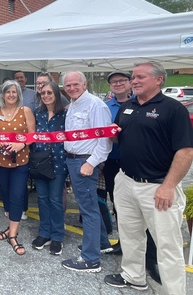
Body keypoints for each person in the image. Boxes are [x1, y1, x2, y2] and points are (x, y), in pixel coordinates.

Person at [104, 61, 193, 294]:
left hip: (157, 186)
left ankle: (175, 291)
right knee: (130, 234)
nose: (134, 81)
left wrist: (169, 186)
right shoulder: (129, 105)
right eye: (133, 77)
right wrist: (111, 135)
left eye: (140, 77)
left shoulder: (173, 109)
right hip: (126, 180)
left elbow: (185, 152)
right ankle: (134, 277)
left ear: (158, 80)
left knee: (167, 245)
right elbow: (119, 137)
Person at [104, 70, 160, 282]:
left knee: (149, 217)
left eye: (122, 81)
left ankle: (151, 258)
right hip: (114, 164)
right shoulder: (109, 107)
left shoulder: (144, 105)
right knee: (120, 208)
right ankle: (124, 245)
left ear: (129, 84)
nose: (118, 84)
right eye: (113, 82)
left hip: (146, 171)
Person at [61, 71, 112, 273]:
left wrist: (91, 163)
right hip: (73, 159)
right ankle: (101, 243)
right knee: (89, 205)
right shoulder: (74, 103)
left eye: (75, 84)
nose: (72, 88)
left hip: (84, 161)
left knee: (88, 210)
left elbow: (105, 140)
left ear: (84, 84)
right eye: (68, 86)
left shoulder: (95, 105)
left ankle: (91, 259)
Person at [0, 80, 35, 255]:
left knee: (17, 194)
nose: (11, 95)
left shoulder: (25, 111)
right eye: (8, 92)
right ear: (3, 94)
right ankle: (10, 227)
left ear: (18, 94)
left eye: (14, 92)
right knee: (6, 194)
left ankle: (13, 235)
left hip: (20, 161)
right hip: (0, 161)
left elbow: (32, 135)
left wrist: (21, 144)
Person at [30, 82, 68, 256]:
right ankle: (44, 232)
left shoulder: (66, 115)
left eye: (49, 92)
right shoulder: (37, 114)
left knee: (55, 200)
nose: (46, 96)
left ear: (56, 94)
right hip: (39, 162)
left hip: (58, 162)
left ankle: (57, 236)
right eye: (43, 93)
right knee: (42, 199)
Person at [14, 70, 36, 220]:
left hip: (29, 143)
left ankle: (23, 208)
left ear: (26, 79)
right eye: (17, 78)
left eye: (21, 78)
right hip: (8, 147)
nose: (19, 80)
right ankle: (13, 207)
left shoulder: (34, 94)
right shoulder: (3, 106)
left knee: (23, 179)